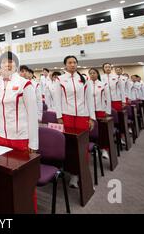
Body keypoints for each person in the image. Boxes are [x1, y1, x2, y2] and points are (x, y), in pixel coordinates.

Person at [53, 56, 95, 188]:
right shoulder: (60, 79)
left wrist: (91, 117)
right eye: (70, 63)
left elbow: (89, 100)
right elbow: (57, 100)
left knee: (83, 147)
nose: (72, 64)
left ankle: (83, 173)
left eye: (74, 62)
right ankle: (73, 174)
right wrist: (59, 117)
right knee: (70, 147)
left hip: (83, 116)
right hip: (67, 116)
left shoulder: (84, 79)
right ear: (65, 65)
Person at [0, 52, 38, 152]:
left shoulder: (24, 84)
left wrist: (33, 143)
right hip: (0, 134)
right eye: (3, 62)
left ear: (16, 65)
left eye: (10, 62)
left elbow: (32, 115)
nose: (7, 64)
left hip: (20, 136)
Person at [88, 68, 111, 159]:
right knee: (92, 130)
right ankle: (95, 148)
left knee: (102, 131)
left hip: (100, 110)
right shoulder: (87, 84)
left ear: (97, 74)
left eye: (94, 73)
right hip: (90, 111)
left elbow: (108, 98)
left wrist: (108, 111)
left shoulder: (103, 84)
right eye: (90, 73)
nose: (92, 75)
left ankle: (104, 149)